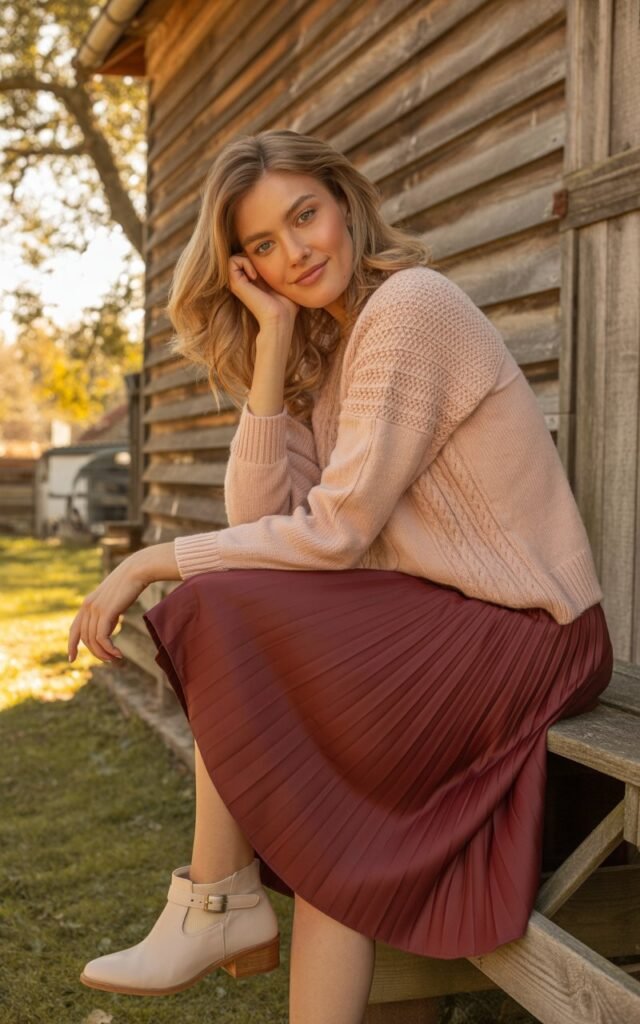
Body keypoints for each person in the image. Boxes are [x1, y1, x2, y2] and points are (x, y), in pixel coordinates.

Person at [67, 129, 613, 1022]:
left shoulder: (411, 308)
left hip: (533, 629)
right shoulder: (332, 354)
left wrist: (148, 560)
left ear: (343, 199)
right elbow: (257, 526)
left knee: (217, 608)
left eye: (305, 216)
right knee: (332, 830)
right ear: (244, 267)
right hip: (444, 624)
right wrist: (275, 342)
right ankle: (222, 903)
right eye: (262, 247)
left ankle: (217, 897)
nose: (296, 252)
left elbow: (334, 532)